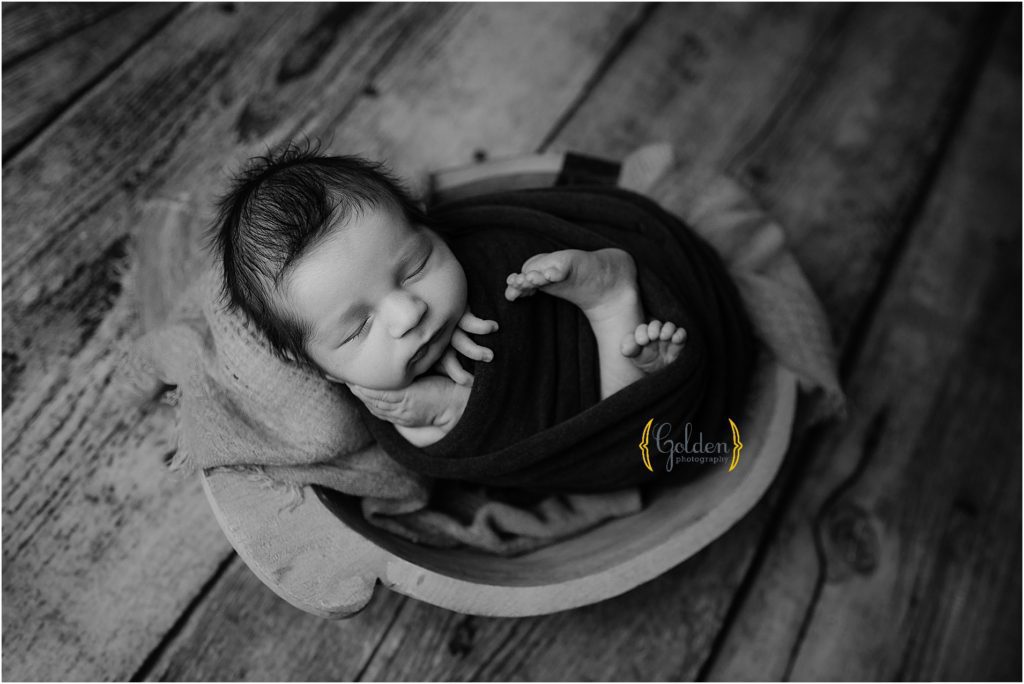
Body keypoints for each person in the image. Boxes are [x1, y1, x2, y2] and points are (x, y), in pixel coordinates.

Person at [211, 143, 686, 447]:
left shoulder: (480, 261)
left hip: (562, 317)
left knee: (641, 443)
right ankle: (614, 305)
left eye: (415, 266)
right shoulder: (382, 395)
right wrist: (450, 410)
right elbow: (479, 456)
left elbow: (499, 241)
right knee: (635, 448)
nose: (408, 313)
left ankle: (606, 295)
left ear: (425, 223)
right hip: (589, 407)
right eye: (357, 328)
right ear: (311, 363)